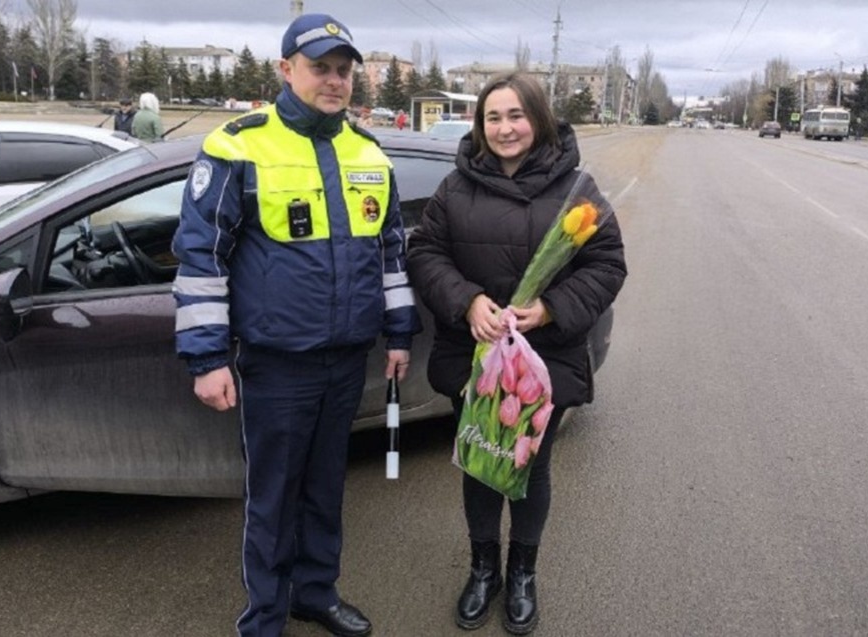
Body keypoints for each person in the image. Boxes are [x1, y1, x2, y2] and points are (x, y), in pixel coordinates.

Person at [171, 12, 420, 637]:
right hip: (278, 364)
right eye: (319, 68)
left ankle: (315, 593)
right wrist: (207, 358)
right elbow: (201, 258)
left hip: (347, 360)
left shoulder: (368, 151)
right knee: (274, 496)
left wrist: (398, 334)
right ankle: (264, 617)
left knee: (325, 488)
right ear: (286, 70)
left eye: (343, 71)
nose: (334, 80)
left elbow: (389, 253)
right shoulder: (238, 145)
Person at [407, 72, 627, 634]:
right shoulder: (455, 188)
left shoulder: (578, 190)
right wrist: (467, 301)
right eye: (493, 118)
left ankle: (523, 573)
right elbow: (425, 253)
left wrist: (551, 308)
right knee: (481, 462)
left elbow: (607, 265)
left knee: (531, 466)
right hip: (474, 357)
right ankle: (484, 569)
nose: (505, 128)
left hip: (542, 363)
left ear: (539, 119)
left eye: (516, 115)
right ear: (480, 126)